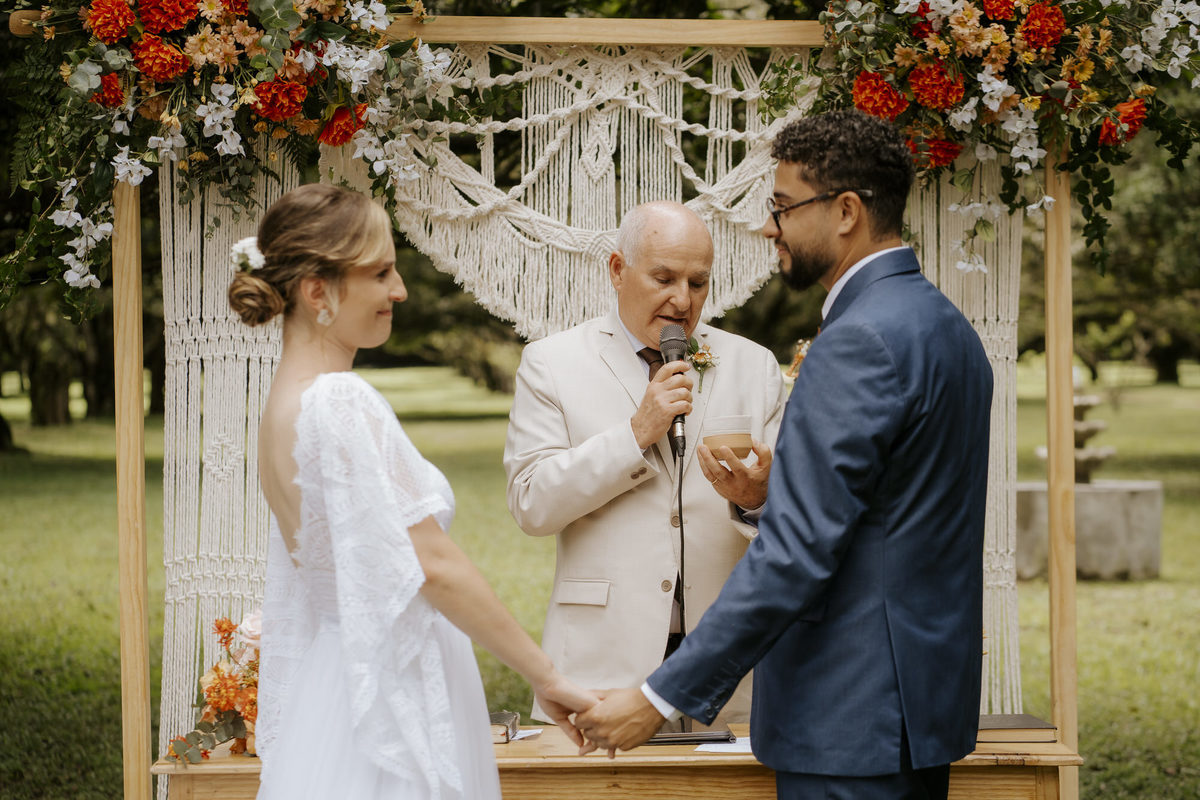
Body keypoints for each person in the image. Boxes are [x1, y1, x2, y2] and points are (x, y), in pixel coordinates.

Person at [575, 110, 995, 800]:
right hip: (922, 711)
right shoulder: (947, 328)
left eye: (781, 207)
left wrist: (658, 696)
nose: (769, 228)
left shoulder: (858, 341)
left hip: (848, 718)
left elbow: (797, 553)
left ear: (846, 212)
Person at [227, 184, 596, 800]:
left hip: (337, 680)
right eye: (380, 273)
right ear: (318, 291)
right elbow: (434, 565)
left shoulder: (281, 407)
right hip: (384, 694)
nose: (399, 290)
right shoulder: (338, 402)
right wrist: (548, 677)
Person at [503, 200, 786, 727]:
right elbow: (531, 505)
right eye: (664, 278)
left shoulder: (755, 366)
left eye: (698, 282)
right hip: (601, 664)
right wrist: (636, 435)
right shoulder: (552, 364)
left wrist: (757, 502)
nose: (683, 300)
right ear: (617, 270)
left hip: (729, 671)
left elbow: (796, 520)